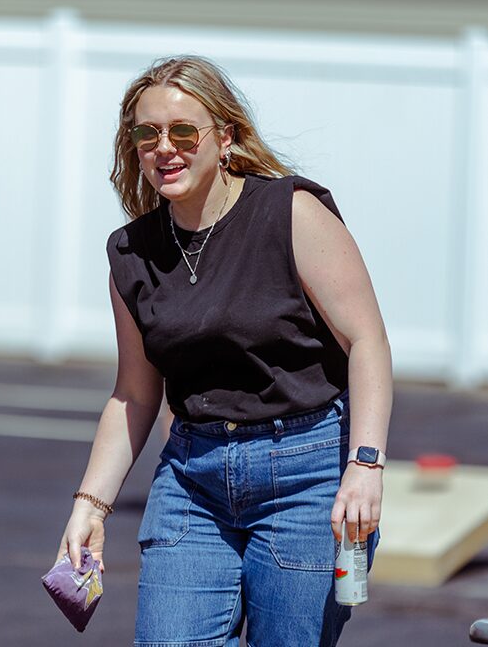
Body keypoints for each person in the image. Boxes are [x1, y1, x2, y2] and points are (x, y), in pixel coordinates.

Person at [54, 54, 393, 646]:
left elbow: (367, 341)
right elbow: (134, 392)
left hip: (308, 476)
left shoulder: (290, 213)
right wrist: (91, 505)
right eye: (147, 133)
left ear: (225, 137)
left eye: (184, 130)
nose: (165, 147)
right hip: (193, 479)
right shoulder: (131, 254)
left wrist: (365, 466)